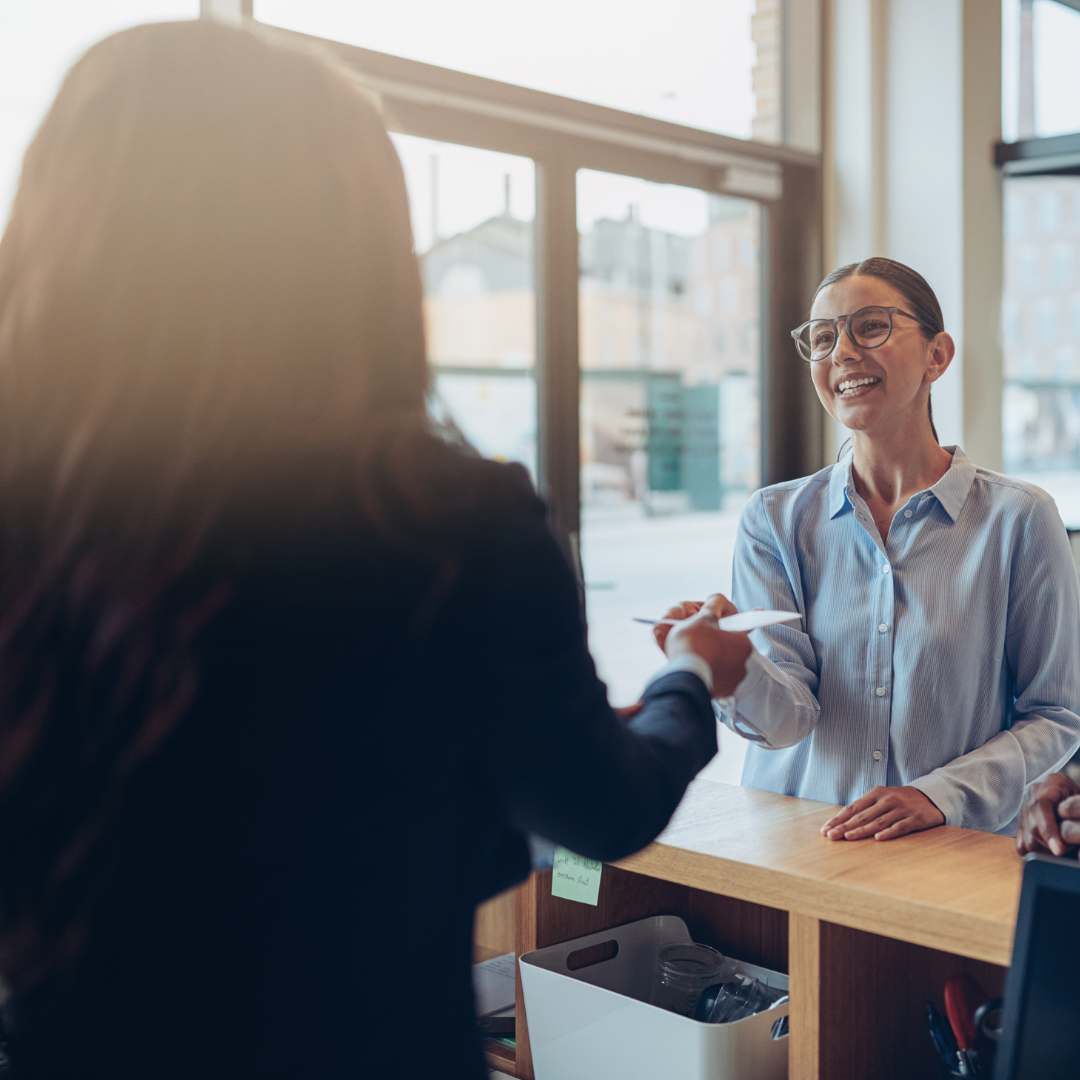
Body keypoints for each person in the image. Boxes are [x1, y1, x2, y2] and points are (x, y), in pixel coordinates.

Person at [0, 20, 752, 1080]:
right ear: (348, 249)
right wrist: (690, 679)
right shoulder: (437, 519)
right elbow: (602, 806)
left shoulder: (40, 518)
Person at [658, 258, 1080, 842]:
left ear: (938, 355)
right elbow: (788, 722)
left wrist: (938, 796)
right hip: (799, 854)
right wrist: (736, 671)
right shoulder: (774, 520)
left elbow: (1055, 716)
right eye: (824, 337)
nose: (843, 353)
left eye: (872, 326)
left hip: (949, 858)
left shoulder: (1020, 519)